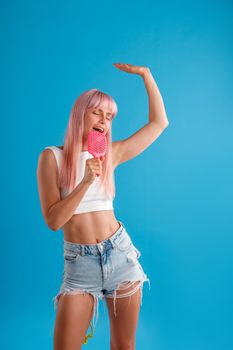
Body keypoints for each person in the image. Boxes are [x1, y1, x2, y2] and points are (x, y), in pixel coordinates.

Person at [37, 63, 169, 350]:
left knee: (124, 345)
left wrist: (146, 76)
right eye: (97, 112)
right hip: (79, 262)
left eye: (109, 116)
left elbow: (159, 123)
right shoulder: (52, 158)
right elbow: (53, 220)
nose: (104, 120)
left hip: (119, 253)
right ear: (79, 115)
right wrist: (85, 182)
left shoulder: (112, 154)